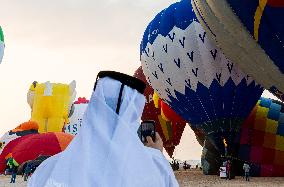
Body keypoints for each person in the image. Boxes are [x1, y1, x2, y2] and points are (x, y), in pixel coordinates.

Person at [28, 71, 178, 187]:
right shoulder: (155, 167)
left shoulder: (48, 169)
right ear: (133, 112)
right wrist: (156, 156)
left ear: (94, 106)